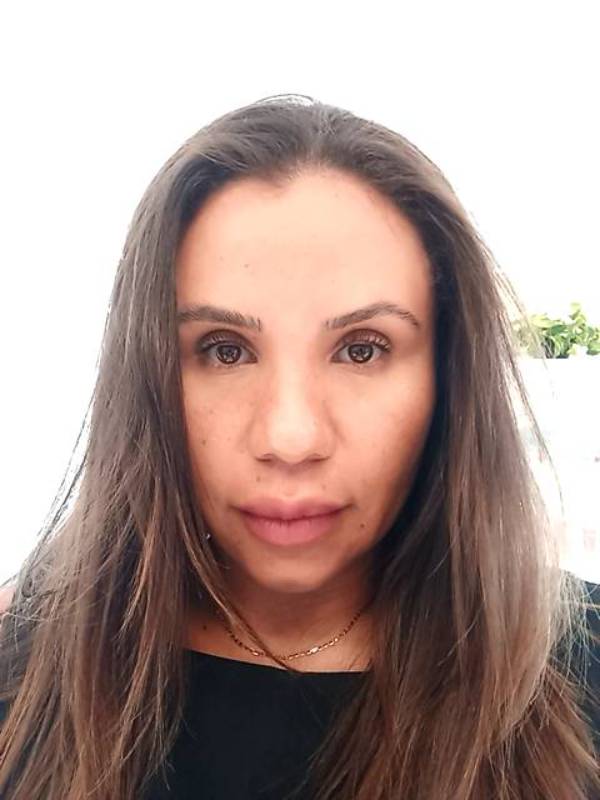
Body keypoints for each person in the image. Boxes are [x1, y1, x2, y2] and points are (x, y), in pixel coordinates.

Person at [0, 94, 598, 800]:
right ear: (149, 377)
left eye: (362, 349)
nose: (291, 438)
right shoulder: (24, 669)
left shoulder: (580, 667)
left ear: (448, 376)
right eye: (225, 350)